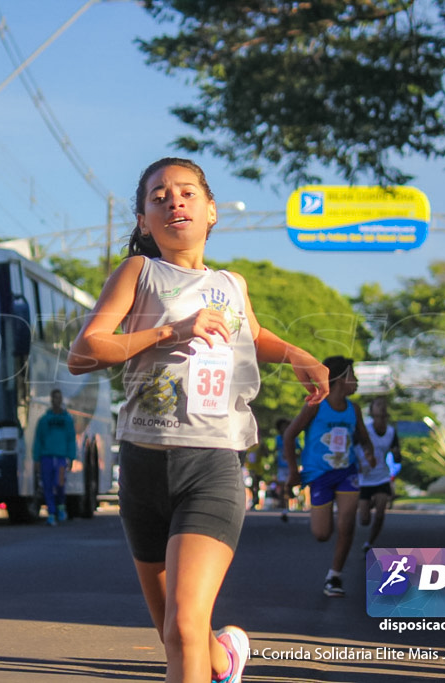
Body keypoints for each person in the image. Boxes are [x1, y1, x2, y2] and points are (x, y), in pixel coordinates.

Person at [66, 157, 329, 683]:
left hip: (211, 464)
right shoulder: (140, 273)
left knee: (185, 625)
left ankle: (217, 656)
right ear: (144, 220)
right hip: (142, 466)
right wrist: (169, 331)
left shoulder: (232, 284)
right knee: (176, 633)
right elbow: (85, 351)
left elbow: (252, 336)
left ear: (211, 211)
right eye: (158, 196)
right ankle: (227, 659)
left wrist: (297, 353)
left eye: (186, 193)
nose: (173, 201)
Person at [284, 356, 375, 598]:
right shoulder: (316, 405)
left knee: (347, 522)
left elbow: (363, 437)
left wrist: (369, 452)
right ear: (339, 379)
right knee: (322, 534)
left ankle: (334, 575)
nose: (356, 382)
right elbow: (290, 435)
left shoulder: (353, 409)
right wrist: (294, 471)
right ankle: (327, 518)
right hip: (320, 475)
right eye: (352, 376)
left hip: (347, 472)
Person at [355, 396, 401, 552]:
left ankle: (369, 543)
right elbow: (353, 447)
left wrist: (396, 454)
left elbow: (397, 455)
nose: (381, 407)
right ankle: (370, 503)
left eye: (383, 405)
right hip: (365, 478)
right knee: (364, 520)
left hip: (382, 477)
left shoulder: (391, 432)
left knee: (380, 514)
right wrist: (359, 463)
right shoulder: (365, 429)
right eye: (378, 405)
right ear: (372, 411)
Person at [32, 388, 76, 526]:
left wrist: (71, 457)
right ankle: (51, 513)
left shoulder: (67, 419)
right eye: (54, 398)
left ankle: (61, 506)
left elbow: (71, 439)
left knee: (60, 483)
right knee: (47, 485)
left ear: (61, 400)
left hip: (61, 458)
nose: (57, 400)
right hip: (46, 457)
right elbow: (38, 439)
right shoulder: (44, 420)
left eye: (59, 398)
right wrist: (36, 458)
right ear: (51, 400)